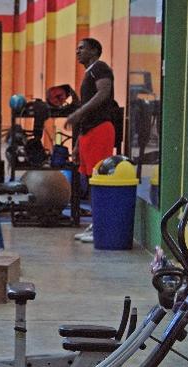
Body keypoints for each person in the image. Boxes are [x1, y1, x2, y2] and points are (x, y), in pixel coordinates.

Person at [64, 38, 116, 243]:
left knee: (99, 179)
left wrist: (78, 113)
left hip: (100, 130)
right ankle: (97, 223)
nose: (77, 51)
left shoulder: (100, 68)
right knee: (90, 180)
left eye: (82, 48)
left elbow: (104, 93)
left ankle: (102, 225)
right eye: (76, 48)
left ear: (94, 51)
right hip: (87, 133)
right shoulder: (88, 73)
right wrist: (77, 144)